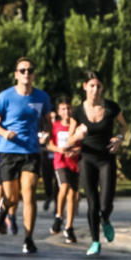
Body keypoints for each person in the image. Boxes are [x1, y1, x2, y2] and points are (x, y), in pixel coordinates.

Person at [0, 57, 53, 255]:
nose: (26, 74)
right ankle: (4, 208)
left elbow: (47, 122)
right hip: (8, 151)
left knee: (30, 193)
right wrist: (4, 133)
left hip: (31, 151)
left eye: (30, 70)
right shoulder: (5, 97)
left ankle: (28, 239)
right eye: (22, 70)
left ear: (34, 74)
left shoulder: (42, 97)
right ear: (16, 74)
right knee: (12, 197)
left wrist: (46, 134)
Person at [75, 71, 129, 257]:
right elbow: (68, 139)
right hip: (86, 159)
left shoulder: (111, 107)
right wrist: (77, 135)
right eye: (91, 86)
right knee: (92, 203)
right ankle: (95, 241)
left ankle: (105, 219)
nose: (95, 90)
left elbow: (124, 126)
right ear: (85, 87)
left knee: (105, 204)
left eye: (98, 86)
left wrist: (119, 138)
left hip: (106, 159)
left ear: (102, 87)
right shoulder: (78, 111)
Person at [46, 96, 79, 243]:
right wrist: (59, 149)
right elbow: (49, 144)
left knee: (73, 196)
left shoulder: (76, 125)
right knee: (64, 187)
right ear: (59, 111)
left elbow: (81, 143)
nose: (66, 111)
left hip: (75, 163)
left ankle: (69, 227)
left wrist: (76, 151)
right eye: (63, 109)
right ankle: (59, 216)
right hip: (60, 162)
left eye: (69, 108)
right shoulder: (56, 126)